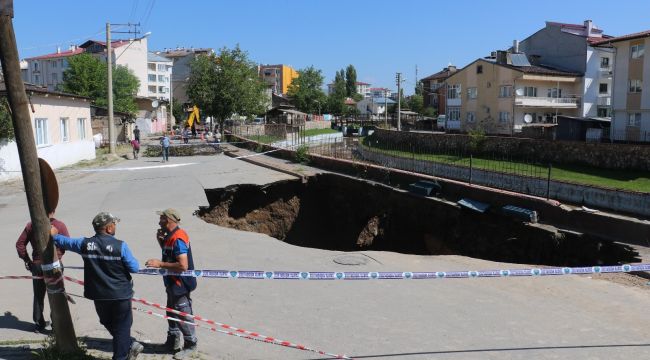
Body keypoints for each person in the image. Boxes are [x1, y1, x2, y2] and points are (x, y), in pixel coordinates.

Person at [51, 212, 143, 360]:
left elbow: (66, 242)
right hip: (121, 295)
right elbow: (134, 267)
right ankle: (122, 354)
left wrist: (54, 236)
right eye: (114, 224)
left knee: (106, 321)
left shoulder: (84, 244)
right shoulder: (121, 246)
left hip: (99, 295)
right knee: (122, 327)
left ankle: (129, 344)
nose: (115, 227)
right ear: (108, 228)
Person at [145, 209, 197, 359]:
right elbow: (170, 255)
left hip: (180, 283)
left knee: (182, 313)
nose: (159, 221)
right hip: (172, 283)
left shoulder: (178, 238)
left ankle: (191, 345)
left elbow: (183, 265)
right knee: (171, 311)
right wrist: (161, 241)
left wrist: (159, 264)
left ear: (168, 220)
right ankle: (173, 341)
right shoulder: (170, 236)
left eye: (161, 218)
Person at [16, 211, 68, 333]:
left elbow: (19, 244)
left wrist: (28, 260)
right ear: (53, 210)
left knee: (38, 294)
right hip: (55, 265)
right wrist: (58, 255)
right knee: (56, 294)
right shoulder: (59, 225)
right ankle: (56, 325)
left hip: (38, 265)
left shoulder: (31, 225)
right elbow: (65, 243)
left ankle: (39, 324)